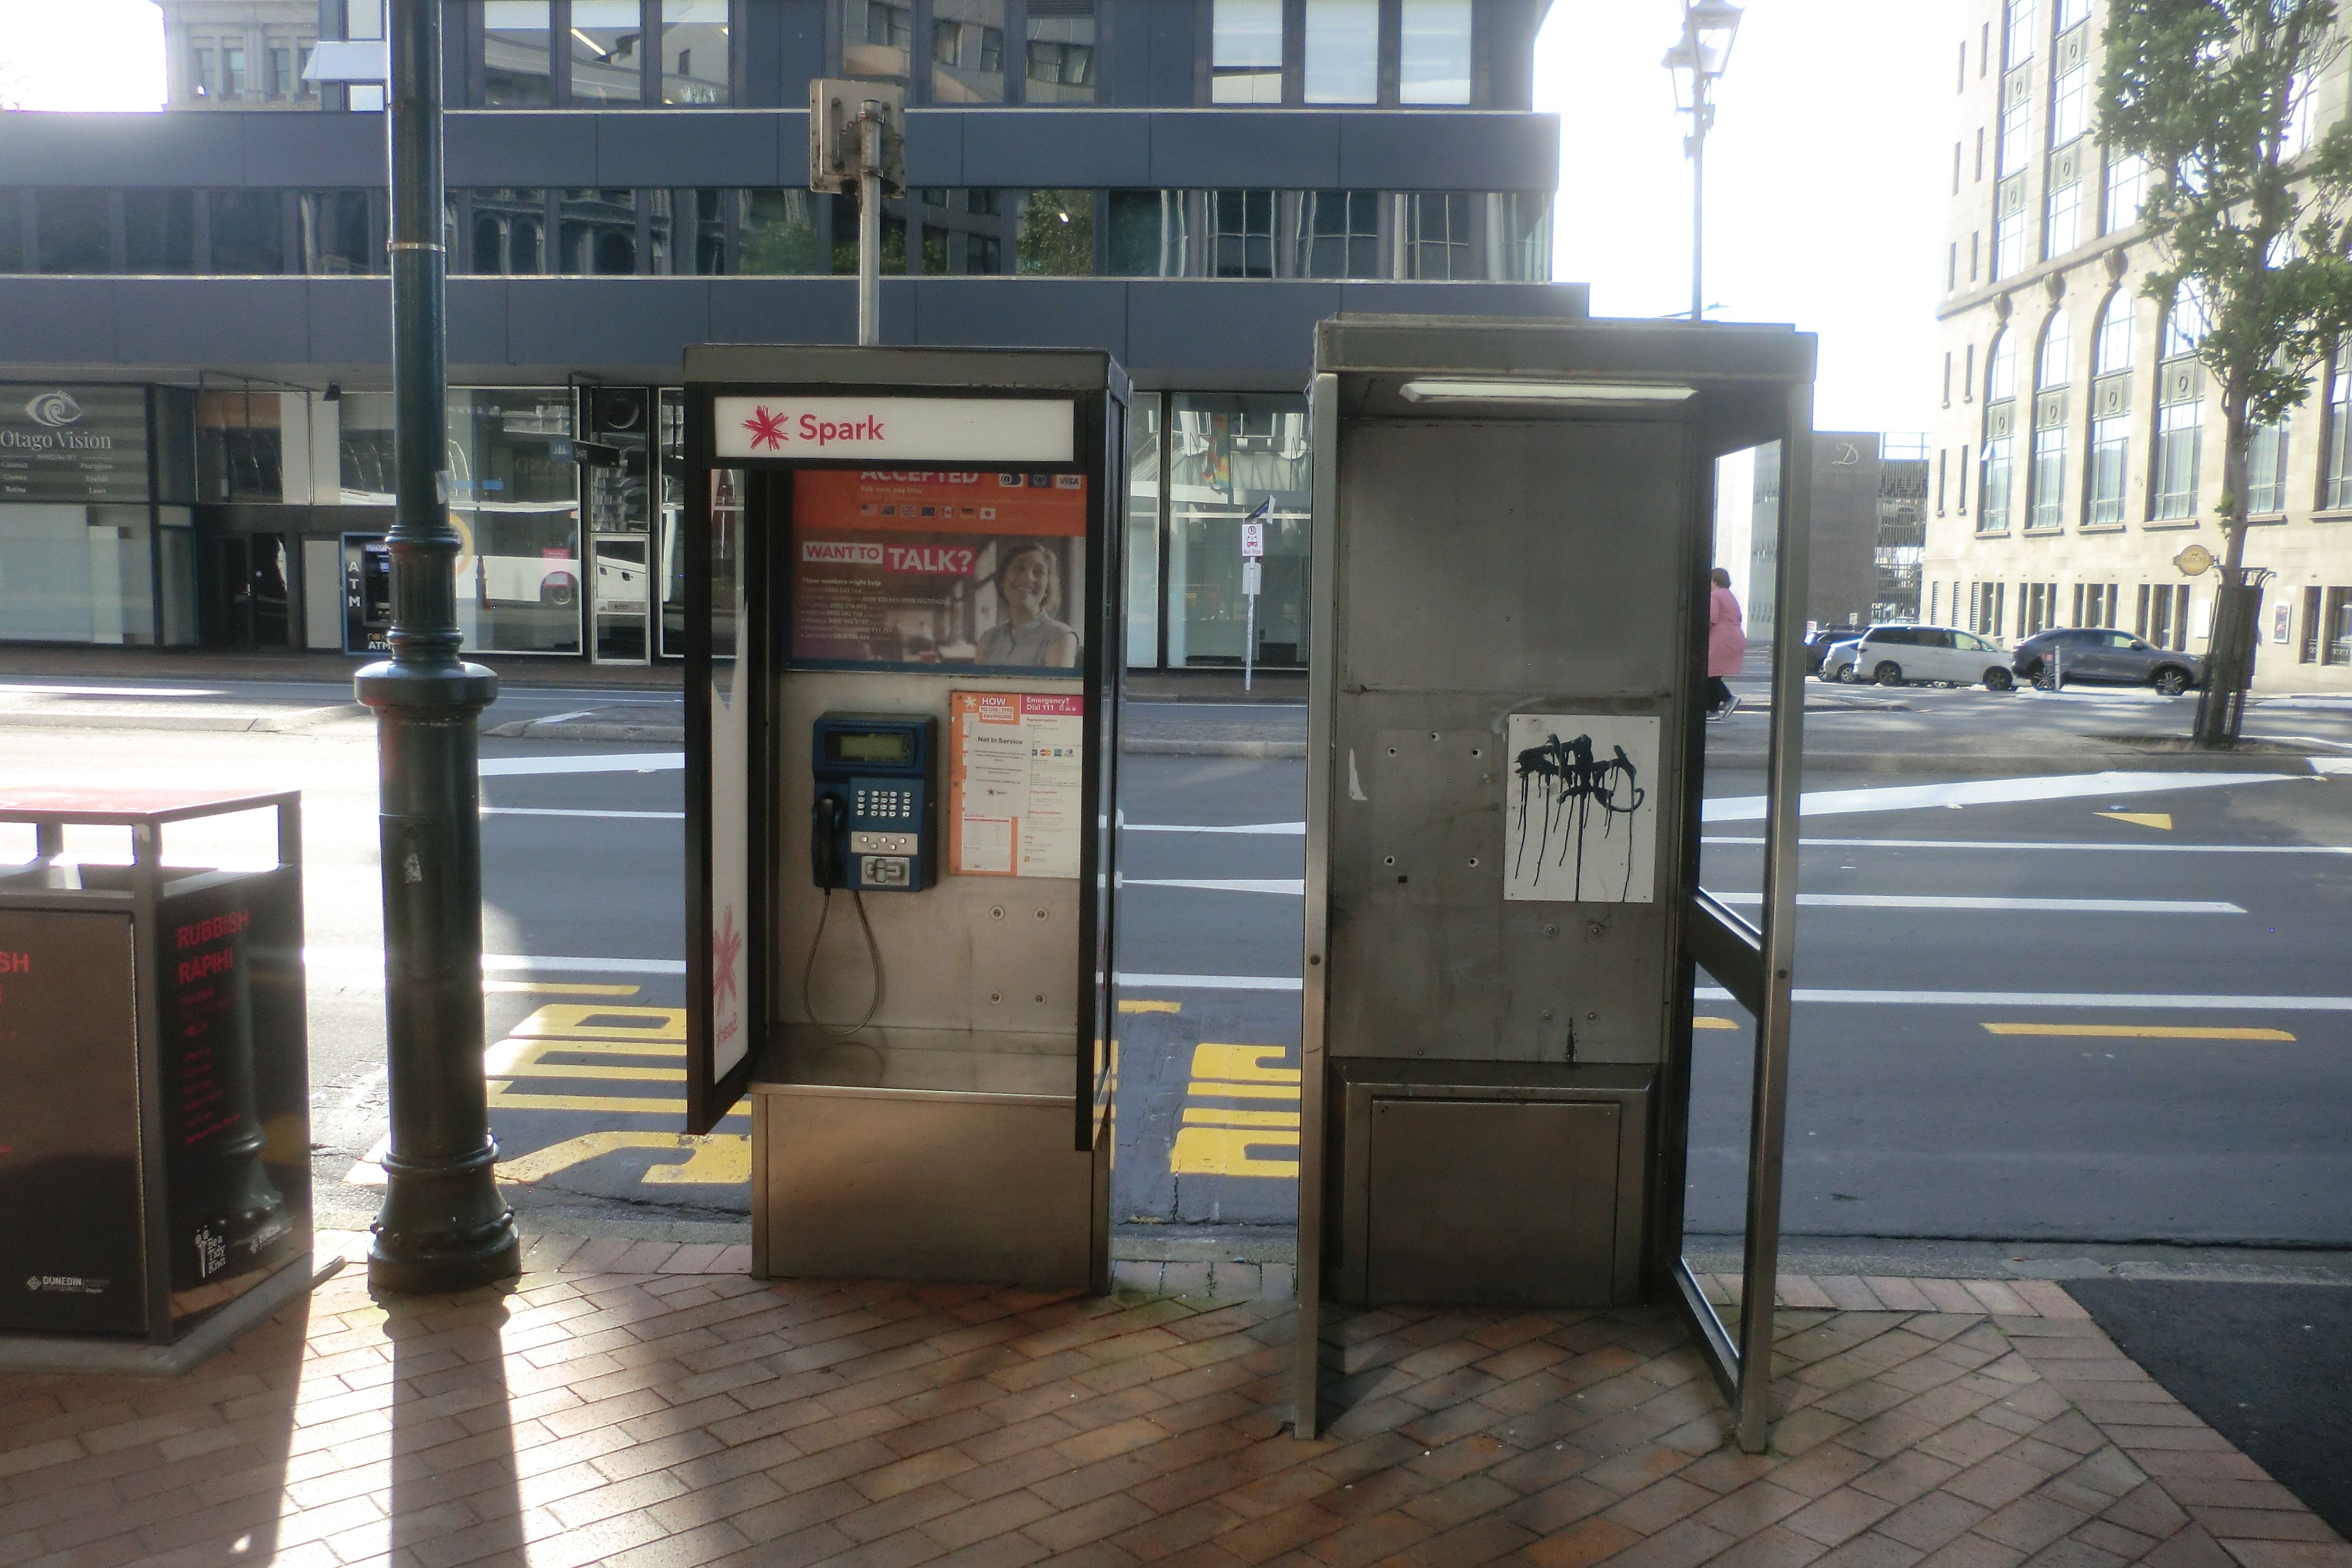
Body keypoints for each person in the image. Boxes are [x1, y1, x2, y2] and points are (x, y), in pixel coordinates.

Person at [977, 541, 1080, 668]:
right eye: (1019, 568)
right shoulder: (988, 638)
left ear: (1047, 588)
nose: (1028, 578)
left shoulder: (1061, 637)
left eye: (1039, 572)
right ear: (1003, 580)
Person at [1706, 566, 1744, 720]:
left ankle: (1728, 698)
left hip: (1720, 639)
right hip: (1734, 637)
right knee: (1713, 674)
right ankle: (1713, 711)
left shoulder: (1715, 596)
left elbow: (1711, 618)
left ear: (1714, 581)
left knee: (1706, 674)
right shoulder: (1730, 596)